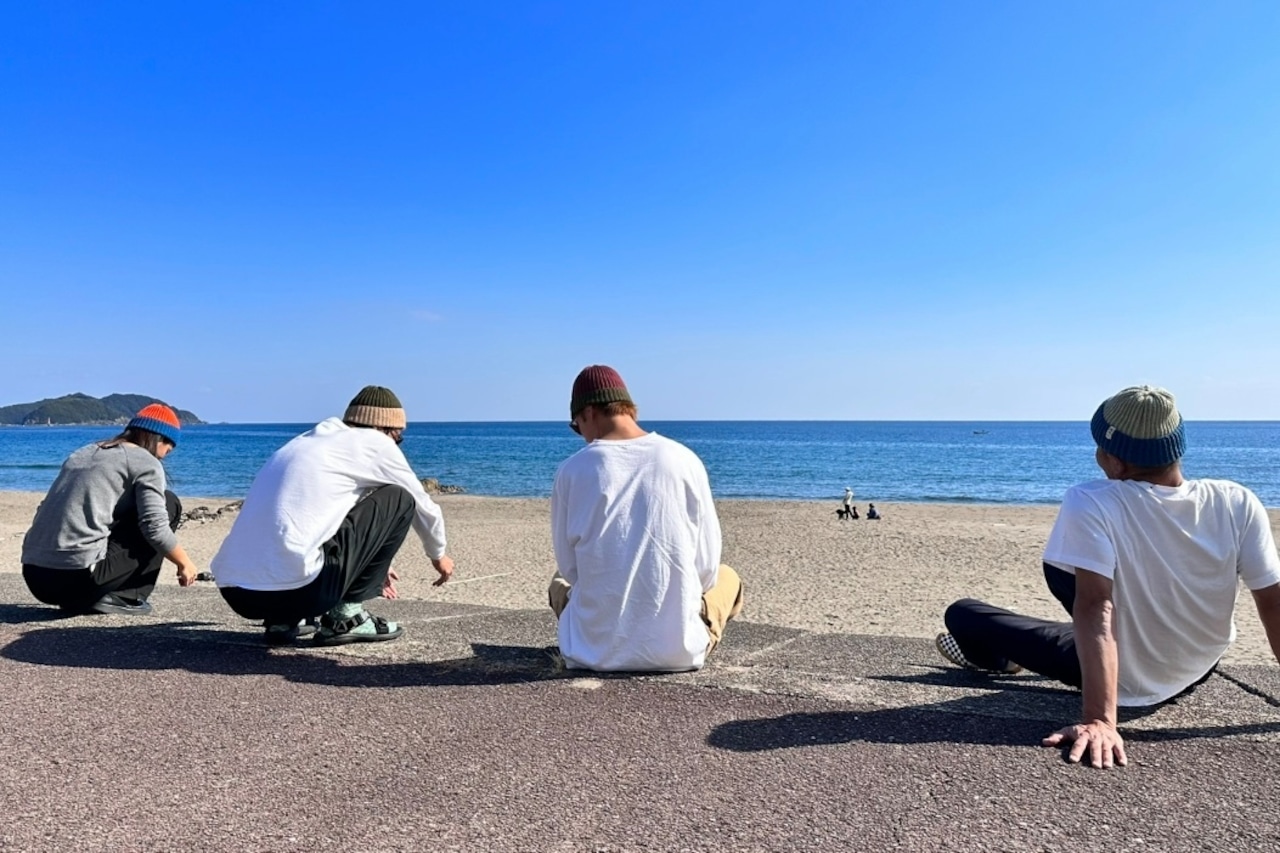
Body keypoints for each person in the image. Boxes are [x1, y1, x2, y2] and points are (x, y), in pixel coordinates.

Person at [935, 385, 1280, 769]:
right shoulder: (1236, 500)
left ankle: (999, 660)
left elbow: (1096, 603)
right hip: (1199, 663)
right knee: (1076, 611)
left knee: (963, 613)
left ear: (1115, 463)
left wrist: (1100, 719)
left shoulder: (1092, 501)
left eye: (1100, 447)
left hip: (1126, 679)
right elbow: (1273, 601)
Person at [211, 386, 454, 645]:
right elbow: (423, 506)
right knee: (399, 498)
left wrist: (370, 561)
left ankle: (282, 621)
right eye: (399, 437)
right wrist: (439, 556)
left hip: (238, 593)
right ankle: (346, 618)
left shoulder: (304, 443)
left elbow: (325, 516)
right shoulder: (376, 443)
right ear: (387, 429)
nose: (397, 445)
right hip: (301, 589)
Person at [548, 365, 744, 671]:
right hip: (677, 653)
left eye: (577, 426)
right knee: (728, 576)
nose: (581, 435)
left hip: (591, 652)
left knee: (558, 583)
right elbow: (706, 570)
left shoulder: (571, 471)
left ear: (588, 412)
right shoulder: (684, 459)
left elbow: (570, 569)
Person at [21, 403, 199, 615]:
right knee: (169, 502)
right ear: (160, 439)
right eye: (167, 451)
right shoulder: (145, 462)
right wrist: (184, 563)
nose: (163, 457)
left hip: (34, 577)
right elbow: (154, 527)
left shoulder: (84, 452)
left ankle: (99, 594)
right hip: (77, 578)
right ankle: (127, 595)